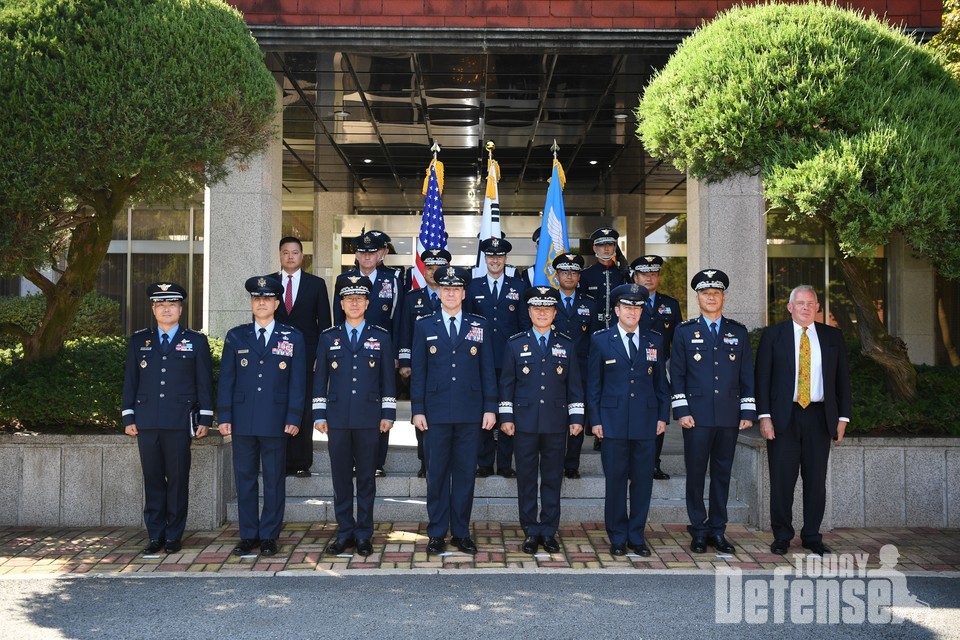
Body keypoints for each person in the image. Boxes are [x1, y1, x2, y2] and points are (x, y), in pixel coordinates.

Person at [756, 284, 852, 557]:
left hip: (820, 417)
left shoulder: (833, 336)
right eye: (800, 303)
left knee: (815, 481)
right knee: (782, 481)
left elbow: (842, 381)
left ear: (817, 307)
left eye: (811, 303)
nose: (806, 307)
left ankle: (812, 535)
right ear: (790, 307)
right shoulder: (773, 336)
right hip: (784, 417)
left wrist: (842, 418)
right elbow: (761, 379)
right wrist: (765, 417)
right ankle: (782, 536)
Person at [122, 282, 213, 555]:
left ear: (181, 308)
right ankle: (155, 535)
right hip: (147, 421)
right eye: (160, 305)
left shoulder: (196, 341)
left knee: (176, 480)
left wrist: (205, 418)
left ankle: (173, 535)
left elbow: (204, 383)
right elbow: (131, 381)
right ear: (153, 309)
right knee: (152, 479)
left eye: (171, 305)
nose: (166, 309)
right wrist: (128, 416)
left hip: (178, 420)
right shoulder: (139, 341)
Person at [218, 276, 306, 558]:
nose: (262, 303)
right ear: (252, 303)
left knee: (273, 480)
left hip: (276, 419)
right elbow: (226, 381)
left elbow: (297, 381)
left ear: (277, 303)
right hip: (243, 420)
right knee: (244, 479)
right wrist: (225, 415)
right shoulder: (236, 336)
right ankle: (248, 535)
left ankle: (269, 535)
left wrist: (294, 416)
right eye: (257, 299)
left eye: (267, 299)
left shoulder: (292, 337)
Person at [411, 266, 497, 555]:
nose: (450, 293)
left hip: (470, 413)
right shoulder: (424, 325)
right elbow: (419, 372)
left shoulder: (479, 325)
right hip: (434, 414)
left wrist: (490, 408)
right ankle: (436, 532)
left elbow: (487, 371)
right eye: (445, 289)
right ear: (438, 292)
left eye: (455, 289)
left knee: (464, 475)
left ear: (463, 293)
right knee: (436, 475)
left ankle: (460, 531)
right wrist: (418, 409)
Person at [670, 269, 755, 555]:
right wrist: (681, 409)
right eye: (706, 293)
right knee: (695, 474)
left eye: (715, 293)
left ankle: (717, 529)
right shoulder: (683, 332)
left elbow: (746, 374)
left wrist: (747, 411)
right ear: (698, 297)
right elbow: (677, 373)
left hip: (729, 415)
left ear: (723, 297)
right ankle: (698, 528)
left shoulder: (737, 331)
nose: (711, 297)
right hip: (696, 416)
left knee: (722, 473)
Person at [313, 275, 396, 558]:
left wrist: (388, 414)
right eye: (349, 299)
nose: (354, 303)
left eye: (359, 299)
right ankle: (344, 532)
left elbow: (388, 379)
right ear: (342, 303)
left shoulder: (381, 336)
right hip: (337, 419)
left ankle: (364, 534)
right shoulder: (328, 337)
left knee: (366, 479)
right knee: (340, 479)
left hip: (369, 418)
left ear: (367, 303)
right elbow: (319, 379)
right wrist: (318, 414)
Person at [499, 286, 584, 554]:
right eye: (537, 308)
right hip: (523, 423)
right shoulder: (515, 343)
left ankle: (548, 530)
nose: (542, 313)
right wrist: (506, 416)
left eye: (547, 309)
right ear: (529, 311)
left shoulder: (566, 344)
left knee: (551, 478)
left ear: (555, 313)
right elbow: (507, 385)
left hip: (556, 423)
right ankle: (530, 530)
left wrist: (577, 416)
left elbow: (575, 385)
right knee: (526, 479)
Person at [588, 283, 669, 557]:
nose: (632, 311)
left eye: (637, 307)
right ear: (616, 310)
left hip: (646, 422)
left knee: (643, 481)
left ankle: (636, 536)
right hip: (611, 422)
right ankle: (618, 536)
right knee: (616, 482)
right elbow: (594, 385)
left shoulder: (654, 340)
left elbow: (661, 384)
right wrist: (595, 420)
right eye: (627, 307)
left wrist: (662, 416)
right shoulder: (601, 340)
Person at [334, 231, 403, 477]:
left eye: (372, 252)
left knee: (381, 404)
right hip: (350, 352)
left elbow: (400, 319)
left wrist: (398, 355)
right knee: (351, 404)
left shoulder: (393, 279)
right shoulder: (344, 279)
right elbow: (336, 319)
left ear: (381, 253)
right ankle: (353, 459)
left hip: (382, 353)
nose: (367, 256)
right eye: (362, 252)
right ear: (356, 254)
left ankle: (376, 462)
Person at [465, 236, 530, 478]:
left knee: (507, 407)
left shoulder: (519, 287)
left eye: (499, 256)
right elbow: (468, 324)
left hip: (509, 360)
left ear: (505, 259)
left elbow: (524, 324)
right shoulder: (473, 287)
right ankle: (483, 462)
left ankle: (504, 462)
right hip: (480, 359)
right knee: (483, 407)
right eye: (491, 256)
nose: (495, 260)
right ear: (485, 259)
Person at [270, 236, 332, 479]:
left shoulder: (315, 284)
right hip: (275, 355)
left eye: (295, 252)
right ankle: (280, 460)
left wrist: (321, 355)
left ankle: (301, 462)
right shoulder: (270, 283)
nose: (290, 256)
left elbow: (324, 324)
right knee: (277, 404)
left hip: (307, 356)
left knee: (304, 407)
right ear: (280, 255)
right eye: (285, 252)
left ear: (302, 256)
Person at [398, 248, 451, 477]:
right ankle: (424, 460)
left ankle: (447, 460)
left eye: (439, 268)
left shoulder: (453, 295)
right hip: (421, 367)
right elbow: (404, 331)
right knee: (421, 414)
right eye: (429, 268)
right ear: (424, 270)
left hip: (448, 366)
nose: (433, 272)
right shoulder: (412, 298)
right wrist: (404, 361)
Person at [633, 254, 684, 480]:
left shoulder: (670, 305)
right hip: (632, 368)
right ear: (635, 277)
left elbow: (679, 341)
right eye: (645, 274)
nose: (649, 279)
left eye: (653, 274)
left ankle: (653, 463)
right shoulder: (627, 303)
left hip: (660, 369)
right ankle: (632, 463)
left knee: (658, 415)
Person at [550, 253, 601, 479]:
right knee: (555, 415)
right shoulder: (547, 301)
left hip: (582, 369)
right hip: (551, 369)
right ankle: (553, 460)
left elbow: (596, 340)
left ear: (579, 276)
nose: (569, 276)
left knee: (577, 413)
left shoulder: (589, 303)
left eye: (573, 272)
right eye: (564, 272)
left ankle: (572, 463)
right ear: (557, 275)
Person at [579, 227, 628, 330]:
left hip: (619, 327)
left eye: (610, 244)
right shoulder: (585, 275)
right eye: (601, 245)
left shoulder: (623, 273)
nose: (606, 248)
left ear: (615, 247)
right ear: (594, 248)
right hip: (592, 327)